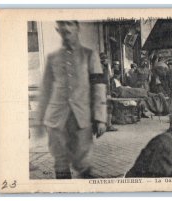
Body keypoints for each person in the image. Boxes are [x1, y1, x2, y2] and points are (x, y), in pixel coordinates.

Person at [37, 21, 107, 179]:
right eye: (62, 25)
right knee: (60, 163)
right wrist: (40, 120)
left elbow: (99, 87)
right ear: (57, 29)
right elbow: (46, 91)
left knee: (83, 164)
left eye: (69, 24)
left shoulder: (89, 55)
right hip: (56, 120)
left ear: (77, 28)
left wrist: (100, 118)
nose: (66, 28)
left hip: (81, 119)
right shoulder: (52, 58)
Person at [99, 53, 118, 132]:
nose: (107, 60)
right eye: (106, 59)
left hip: (106, 90)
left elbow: (109, 78)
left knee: (108, 107)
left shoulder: (105, 68)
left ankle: (107, 125)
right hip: (103, 91)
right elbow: (105, 80)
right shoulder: (102, 68)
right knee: (108, 107)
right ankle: (108, 125)